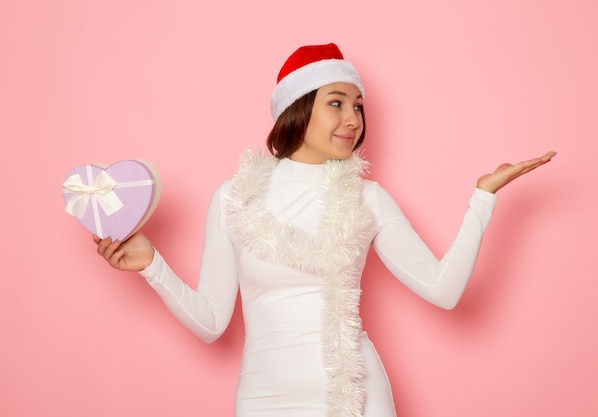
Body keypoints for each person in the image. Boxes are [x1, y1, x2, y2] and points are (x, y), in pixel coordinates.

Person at [93, 43, 555, 417]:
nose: (353, 119)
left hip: (354, 398)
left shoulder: (366, 199)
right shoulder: (233, 196)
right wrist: (152, 264)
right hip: (264, 399)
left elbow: (444, 290)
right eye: (336, 103)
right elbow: (213, 323)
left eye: (357, 106)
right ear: (297, 109)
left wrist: (482, 197)